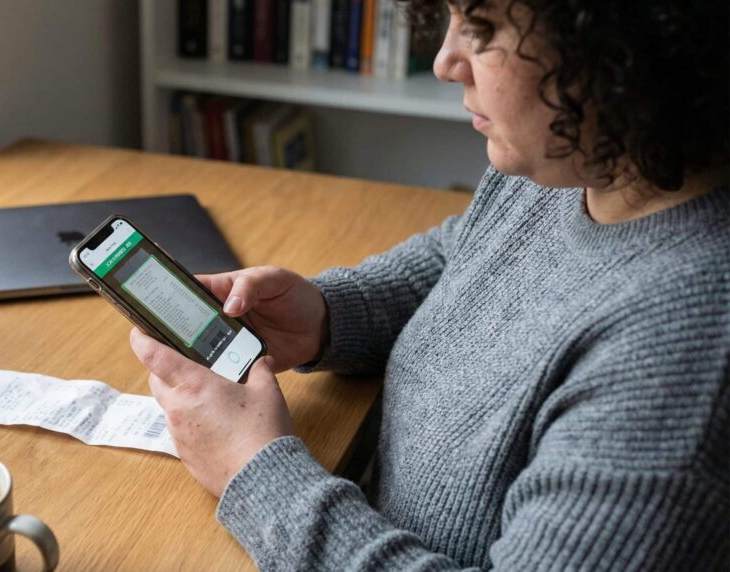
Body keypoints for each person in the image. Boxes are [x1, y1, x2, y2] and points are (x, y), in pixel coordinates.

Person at [130, 0, 728, 569]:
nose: (445, 61)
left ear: (624, 50)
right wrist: (329, 316)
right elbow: (466, 252)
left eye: (484, 27)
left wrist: (253, 471)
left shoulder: (682, 360)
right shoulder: (587, 159)